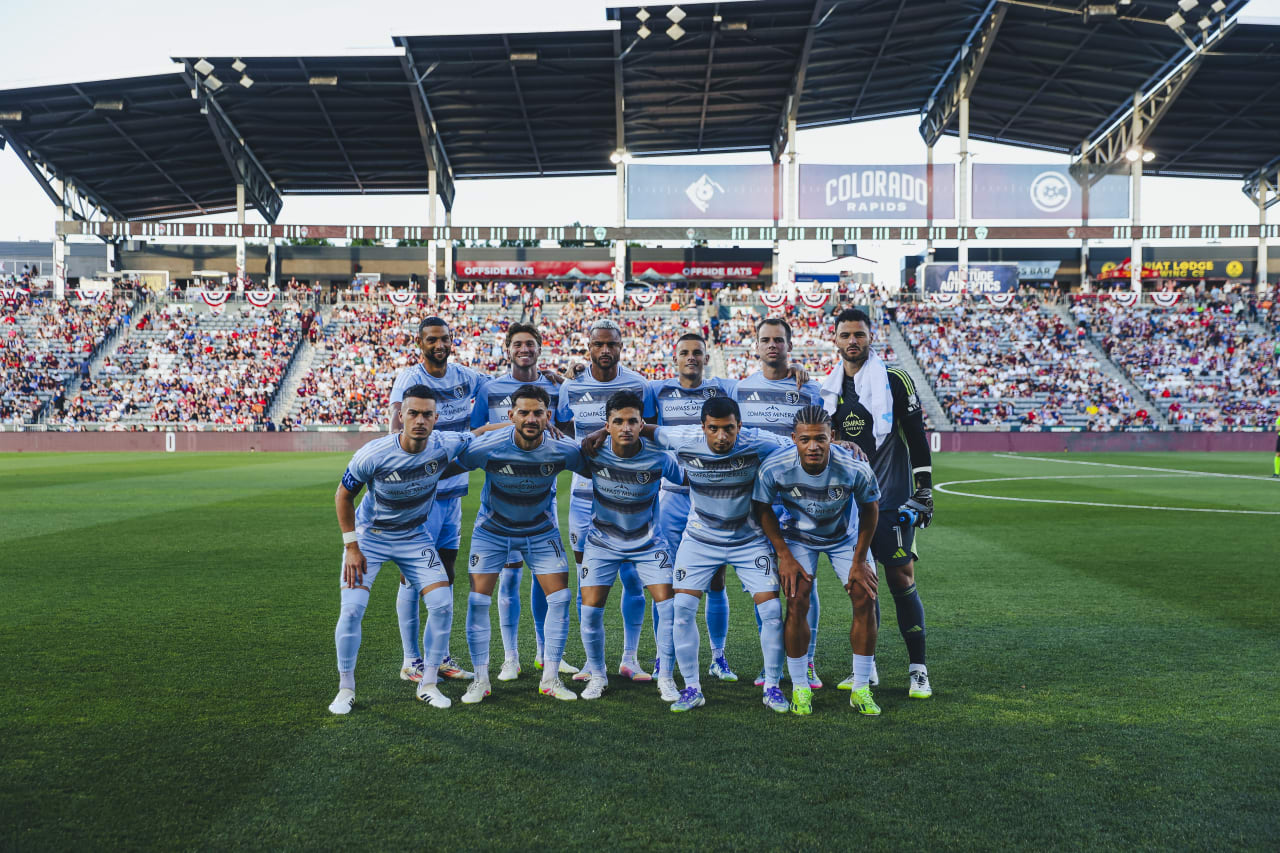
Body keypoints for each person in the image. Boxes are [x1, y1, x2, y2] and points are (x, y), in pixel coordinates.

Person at [585, 397, 791, 713]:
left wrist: (842, 445)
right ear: (702, 427)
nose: (722, 437)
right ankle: (691, 687)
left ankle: (774, 687)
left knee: (772, 611)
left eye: (729, 429)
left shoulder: (761, 441)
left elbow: (802, 446)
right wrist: (603, 431)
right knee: (681, 608)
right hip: (700, 539)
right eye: (714, 429)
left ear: (740, 426)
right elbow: (646, 429)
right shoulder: (683, 440)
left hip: (748, 538)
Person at [328, 386, 475, 714]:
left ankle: (429, 683)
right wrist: (351, 547)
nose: (420, 420)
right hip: (370, 537)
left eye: (427, 414)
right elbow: (343, 495)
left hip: (414, 536)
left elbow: (479, 434)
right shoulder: (374, 453)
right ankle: (346, 688)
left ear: (436, 418)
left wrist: (518, 426)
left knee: (441, 604)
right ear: (400, 416)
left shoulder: (445, 444)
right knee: (351, 610)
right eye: (413, 413)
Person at [821, 308, 935, 700]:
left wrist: (924, 490)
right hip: (852, 508)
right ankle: (866, 672)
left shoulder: (894, 380)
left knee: (900, 580)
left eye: (859, 334)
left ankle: (918, 670)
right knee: (863, 588)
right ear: (834, 340)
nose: (853, 341)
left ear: (871, 338)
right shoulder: (829, 389)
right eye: (846, 335)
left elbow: (917, 437)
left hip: (892, 499)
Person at [454, 384, 587, 703]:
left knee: (560, 598)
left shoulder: (563, 449)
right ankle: (481, 680)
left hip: (541, 530)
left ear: (548, 416)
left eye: (538, 412)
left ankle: (551, 678)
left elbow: (598, 469)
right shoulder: (488, 446)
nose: (531, 418)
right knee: (478, 601)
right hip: (493, 530)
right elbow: (452, 464)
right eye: (523, 412)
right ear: (511, 415)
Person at [752, 406, 881, 716]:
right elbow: (762, 508)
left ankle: (861, 688)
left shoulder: (854, 468)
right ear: (794, 439)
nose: (813, 446)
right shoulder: (775, 467)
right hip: (797, 537)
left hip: (844, 538)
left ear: (832, 438)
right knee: (796, 599)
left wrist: (860, 560)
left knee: (864, 596)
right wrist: (783, 555)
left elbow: (870, 510)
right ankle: (800, 688)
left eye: (820, 439)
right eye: (805, 439)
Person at [469, 323, 577, 680]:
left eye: (530, 343)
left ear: (540, 347)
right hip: (502, 491)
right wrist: (512, 431)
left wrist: (564, 383)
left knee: (542, 577)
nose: (524, 349)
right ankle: (510, 656)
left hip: (542, 492)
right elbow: (475, 434)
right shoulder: (491, 388)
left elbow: (566, 432)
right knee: (510, 578)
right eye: (517, 344)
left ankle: (547, 654)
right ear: (507, 348)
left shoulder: (553, 387)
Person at [555, 318, 657, 682]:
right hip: (584, 497)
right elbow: (565, 429)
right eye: (598, 344)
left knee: (632, 576)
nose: (605, 350)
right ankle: (590, 661)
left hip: (630, 497)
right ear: (588, 347)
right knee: (588, 580)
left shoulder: (640, 384)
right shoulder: (571, 386)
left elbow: (651, 430)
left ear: (621, 347)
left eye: (611, 344)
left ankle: (630, 656)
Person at [388, 317, 485, 683]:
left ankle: (439, 655)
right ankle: (411, 660)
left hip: (453, 494)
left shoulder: (465, 376)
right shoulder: (409, 378)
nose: (439, 345)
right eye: (432, 340)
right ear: (420, 343)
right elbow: (396, 427)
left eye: (444, 339)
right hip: (420, 498)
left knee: (444, 576)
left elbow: (506, 386)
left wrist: (553, 376)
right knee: (412, 578)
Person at [732, 318, 825, 689]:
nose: (772, 346)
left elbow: (824, 436)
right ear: (755, 346)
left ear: (789, 345)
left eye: (779, 340)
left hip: (800, 501)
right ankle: (770, 663)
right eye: (765, 340)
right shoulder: (739, 389)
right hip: (759, 504)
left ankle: (809, 660)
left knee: (805, 584)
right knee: (766, 586)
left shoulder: (810, 389)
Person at [577, 390, 685, 701]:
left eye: (633, 421)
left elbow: (694, 478)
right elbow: (553, 455)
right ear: (606, 425)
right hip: (602, 542)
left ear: (642, 424)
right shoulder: (591, 453)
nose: (626, 427)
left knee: (669, 606)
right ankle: (597, 675)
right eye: (618, 421)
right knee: (590, 611)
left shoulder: (660, 458)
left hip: (649, 542)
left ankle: (665, 676)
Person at [650, 332, 739, 682]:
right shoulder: (655, 390)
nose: (691, 358)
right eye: (684, 352)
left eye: (697, 353)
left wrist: (797, 371)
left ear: (706, 357)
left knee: (717, 579)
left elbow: (767, 376)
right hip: (672, 494)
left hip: (712, 493)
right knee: (668, 580)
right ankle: (663, 656)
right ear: (674, 358)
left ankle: (718, 657)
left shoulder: (724, 388)